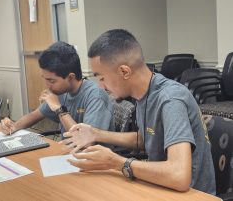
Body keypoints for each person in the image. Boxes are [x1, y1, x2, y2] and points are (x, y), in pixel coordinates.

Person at [61, 29, 216, 194]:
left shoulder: (170, 100)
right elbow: (147, 138)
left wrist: (116, 162)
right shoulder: (144, 93)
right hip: (161, 187)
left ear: (124, 72)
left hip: (190, 195)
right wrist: (95, 134)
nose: (101, 86)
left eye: (101, 77)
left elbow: (179, 176)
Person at [0, 41, 114, 136]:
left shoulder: (95, 96)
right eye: (45, 79)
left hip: (93, 159)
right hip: (68, 154)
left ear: (70, 77)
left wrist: (59, 109)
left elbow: (86, 141)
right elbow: (34, 116)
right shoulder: (61, 92)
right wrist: (13, 126)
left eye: (51, 81)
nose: (47, 85)